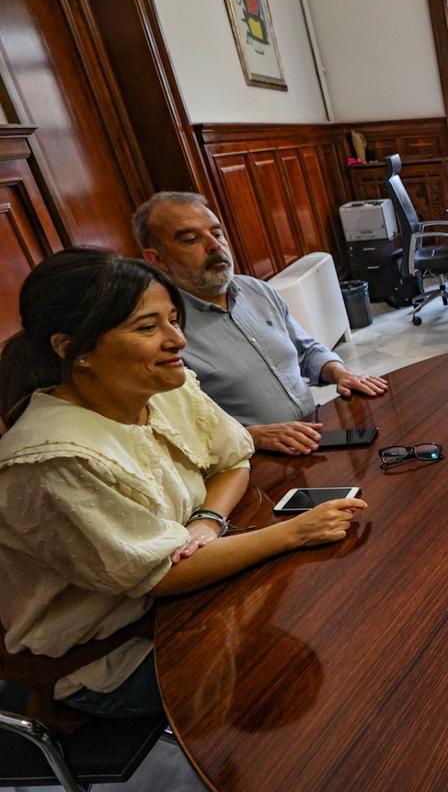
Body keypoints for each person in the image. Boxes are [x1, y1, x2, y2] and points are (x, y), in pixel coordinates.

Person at [0, 249, 367, 718]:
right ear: (74, 349)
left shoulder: (165, 388)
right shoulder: (55, 460)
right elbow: (162, 574)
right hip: (116, 655)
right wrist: (293, 532)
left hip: (194, 592)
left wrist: (207, 523)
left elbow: (234, 459)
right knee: (329, 672)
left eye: (174, 320)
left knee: (338, 613)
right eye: (147, 328)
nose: (177, 340)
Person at [133, 192, 388, 455]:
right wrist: (251, 435)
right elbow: (179, 430)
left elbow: (307, 350)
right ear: (157, 259)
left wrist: (340, 373)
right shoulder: (165, 331)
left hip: (314, 437)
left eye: (217, 234)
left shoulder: (256, 290)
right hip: (252, 461)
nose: (214, 246)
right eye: (190, 239)